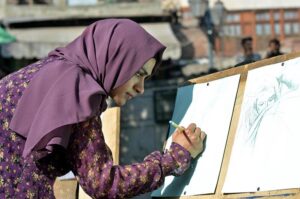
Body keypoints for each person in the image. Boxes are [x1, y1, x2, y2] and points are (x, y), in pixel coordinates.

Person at [0, 19, 206, 198]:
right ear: (116, 61)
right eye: (138, 74)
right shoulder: (78, 91)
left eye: (146, 78)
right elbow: (104, 184)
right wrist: (174, 158)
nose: (141, 88)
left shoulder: (41, 72)